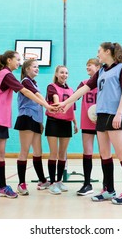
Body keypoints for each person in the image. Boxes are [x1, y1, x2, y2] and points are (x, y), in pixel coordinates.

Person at [0, 50, 56, 205]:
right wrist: (46, 105)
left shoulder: (5, 74)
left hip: (1, 119)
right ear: (9, 60)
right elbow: (25, 91)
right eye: (17, 59)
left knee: (1, 155)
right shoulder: (5, 74)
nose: (19, 62)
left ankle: (2, 187)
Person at [57, 42, 122, 205]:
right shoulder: (101, 71)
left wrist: (119, 113)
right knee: (104, 154)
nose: (98, 54)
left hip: (114, 115)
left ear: (108, 52)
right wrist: (65, 103)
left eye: (99, 51)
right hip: (100, 116)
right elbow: (84, 88)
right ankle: (109, 189)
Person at [14, 59, 52, 196]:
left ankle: (42, 180)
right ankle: (21, 183)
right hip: (26, 118)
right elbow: (36, 97)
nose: (37, 69)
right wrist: (48, 105)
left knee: (38, 151)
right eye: (34, 67)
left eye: (38, 67)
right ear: (27, 69)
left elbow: (38, 103)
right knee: (24, 151)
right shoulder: (25, 81)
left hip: (35, 120)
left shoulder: (33, 83)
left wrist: (40, 122)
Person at [45, 65, 78, 195]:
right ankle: (52, 183)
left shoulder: (71, 90)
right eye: (62, 72)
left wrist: (75, 123)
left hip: (66, 123)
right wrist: (59, 105)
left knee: (62, 154)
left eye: (66, 73)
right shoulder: (51, 86)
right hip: (53, 122)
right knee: (53, 153)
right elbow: (56, 99)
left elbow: (72, 108)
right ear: (57, 74)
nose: (64, 75)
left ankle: (59, 181)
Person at [76, 58, 102, 196]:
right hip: (87, 121)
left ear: (98, 67)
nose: (87, 68)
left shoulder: (104, 83)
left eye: (89, 66)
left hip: (102, 122)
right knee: (87, 153)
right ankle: (87, 184)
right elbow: (74, 98)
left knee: (105, 154)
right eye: (86, 66)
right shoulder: (84, 84)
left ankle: (107, 184)